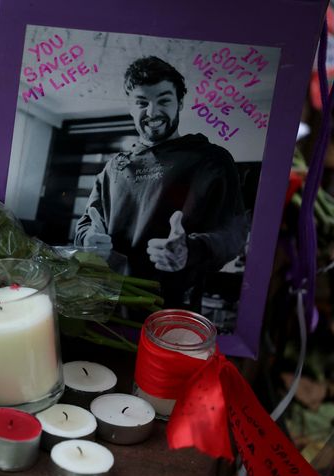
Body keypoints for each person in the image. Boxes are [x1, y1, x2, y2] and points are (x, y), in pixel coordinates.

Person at [74, 56, 247, 309]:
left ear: (180, 102)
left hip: (174, 309)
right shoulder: (114, 167)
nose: (152, 112)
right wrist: (89, 239)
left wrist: (190, 249)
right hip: (108, 306)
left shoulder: (211, 160)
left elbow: (234, 234)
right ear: (131, 107)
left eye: (164, 100)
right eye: (142, 103)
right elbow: (87, 224)